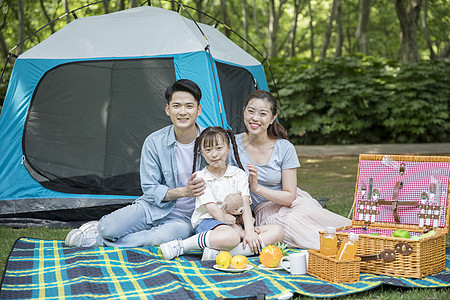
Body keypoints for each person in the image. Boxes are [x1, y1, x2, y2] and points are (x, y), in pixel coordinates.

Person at [64, 79, 208, 247]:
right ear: (168, 109)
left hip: (184, 218)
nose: (183, 112)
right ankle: (100, 231)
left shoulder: (212, 141)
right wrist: (183, 192)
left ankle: (97, 241)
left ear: (198, 110)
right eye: (177, 106)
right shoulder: (154, 141)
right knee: (107, 228)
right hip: (152, 207)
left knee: (155, 239)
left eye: (189, 106)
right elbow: (149, 188)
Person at [235, 90, 352, 250]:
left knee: (340, 227)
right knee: (297, 228)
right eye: (251, 111)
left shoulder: (284, 148)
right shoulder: (231, 145)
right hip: (266, 212)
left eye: (263, 113)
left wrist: (257, 188)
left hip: (294, 202)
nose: (255, 118)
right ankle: (347, 252)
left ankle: (373, 243)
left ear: (272, 118)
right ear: (244, 112)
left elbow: (290, 197)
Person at [160, 126, 284, 260]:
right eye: (208, 150)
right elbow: (212, 209)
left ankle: (220, 254)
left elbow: (245, 205)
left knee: (278, 231)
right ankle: (182, 245)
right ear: (201, 152)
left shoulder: (239, 174)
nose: (214, 154)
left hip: (238, 223)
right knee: (231, 237)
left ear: (228, 148)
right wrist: (237, 231)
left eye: (219, 148)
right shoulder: (200, 177)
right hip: (211, 222)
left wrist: (248, 232)